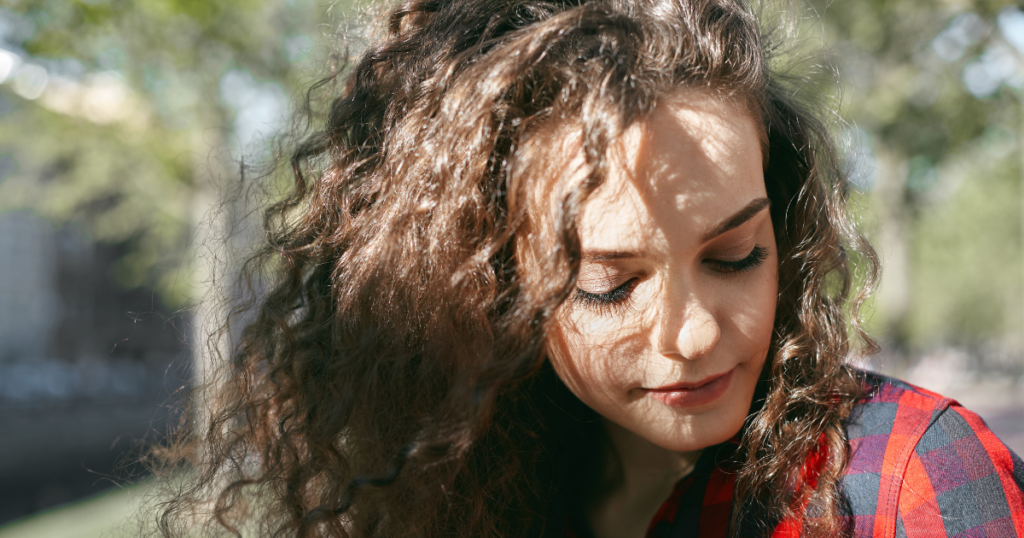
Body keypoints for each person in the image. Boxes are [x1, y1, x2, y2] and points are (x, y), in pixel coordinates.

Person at [152, 0, 1024, 536]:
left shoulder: (905, 478)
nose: (690, 334)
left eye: (735, 256)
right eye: (610, 284)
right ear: (489, 289)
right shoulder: (479, 496)